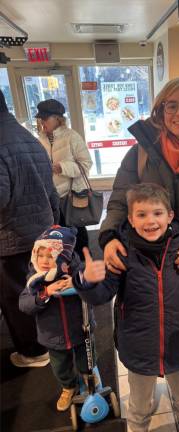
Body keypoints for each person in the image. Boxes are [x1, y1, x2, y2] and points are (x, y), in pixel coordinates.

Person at [74, 183, 179, 432]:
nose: (150, 221)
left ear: (170, 216)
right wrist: (88, 282)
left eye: (157, 213)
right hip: (139, 346)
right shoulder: (122, 253)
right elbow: (102, 293)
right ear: (131, 220)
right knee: (140, 401)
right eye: (142, 214)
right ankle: (138, 426)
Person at [99, 77, 179, 353]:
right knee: (144, 334)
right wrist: (108, 237)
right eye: (172, 106)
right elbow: (120, 199)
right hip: (143, 262)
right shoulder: (141, 152)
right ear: (160, 110)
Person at [0, 90, 59, 368]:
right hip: (42, 233)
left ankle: (34, 352)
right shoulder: (29, 139)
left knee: (16, 298)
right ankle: (50, 342)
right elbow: (51, 192)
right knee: (39, 290)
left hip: (11, 238)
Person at [19, 225, 96, 412]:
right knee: (60, 365)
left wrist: (79, 282)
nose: (45, 261)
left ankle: (88, 376)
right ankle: (68, 386)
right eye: (41, 255)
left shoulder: (78, 269)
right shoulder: (34, 280)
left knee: (86, 358)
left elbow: (96, 284)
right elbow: (24, 304)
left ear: (63, 257)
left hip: (81, 328)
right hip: (53, 334)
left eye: (51, 256)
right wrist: (45, 293)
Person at [35, 98, 93, 260]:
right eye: (40, 118)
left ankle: (84, 265)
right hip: (50, 197)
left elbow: (86, 164)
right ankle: (64, 267)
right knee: (57, 235)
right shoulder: (40, 139)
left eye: (45, 118)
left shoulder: (71, 137)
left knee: (77, 233)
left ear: (57, 118)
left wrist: (62, 167)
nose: (42, 122)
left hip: (71, 195)